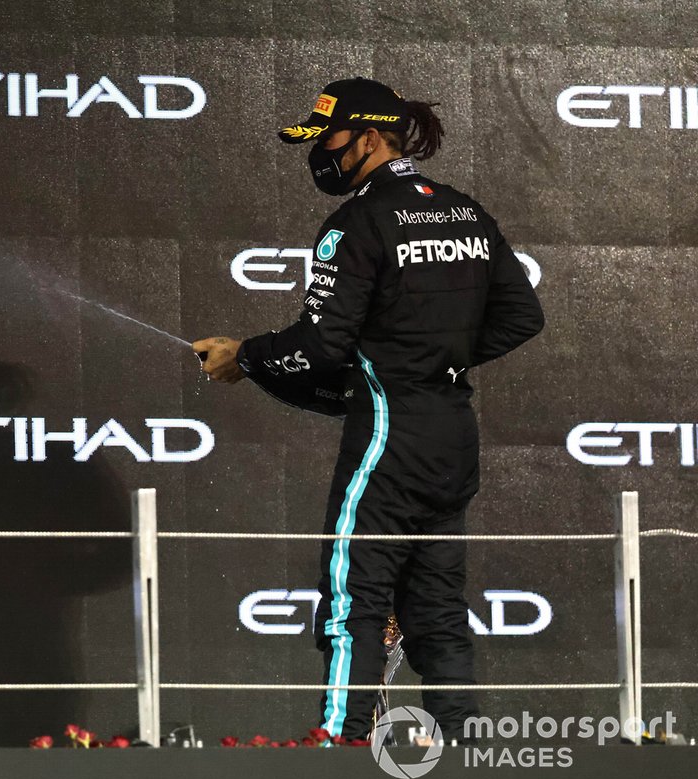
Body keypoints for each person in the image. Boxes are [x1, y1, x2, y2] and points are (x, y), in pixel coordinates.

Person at [193, 77, 544, 743]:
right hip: (451, 433)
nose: (318, 152)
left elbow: (324, 342)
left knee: (355, 596)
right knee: (438, 605)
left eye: (326, 137)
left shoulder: (358, 221)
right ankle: (464, 746)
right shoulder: (463, 211)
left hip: (389, 433)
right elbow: (524, 316)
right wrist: (440, 359)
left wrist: (246, 355)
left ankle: (342, 739)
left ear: (369, 137)